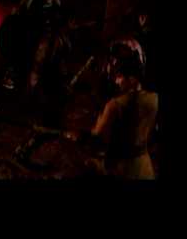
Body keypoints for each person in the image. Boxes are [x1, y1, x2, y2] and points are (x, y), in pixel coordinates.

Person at [67, 39, 157, 179]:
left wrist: (78, 136)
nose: (116, 81)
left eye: (119, 76)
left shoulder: (115, 105)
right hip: (145, 170)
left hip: (120, 171)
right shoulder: (154, 99)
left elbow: (96, 141)